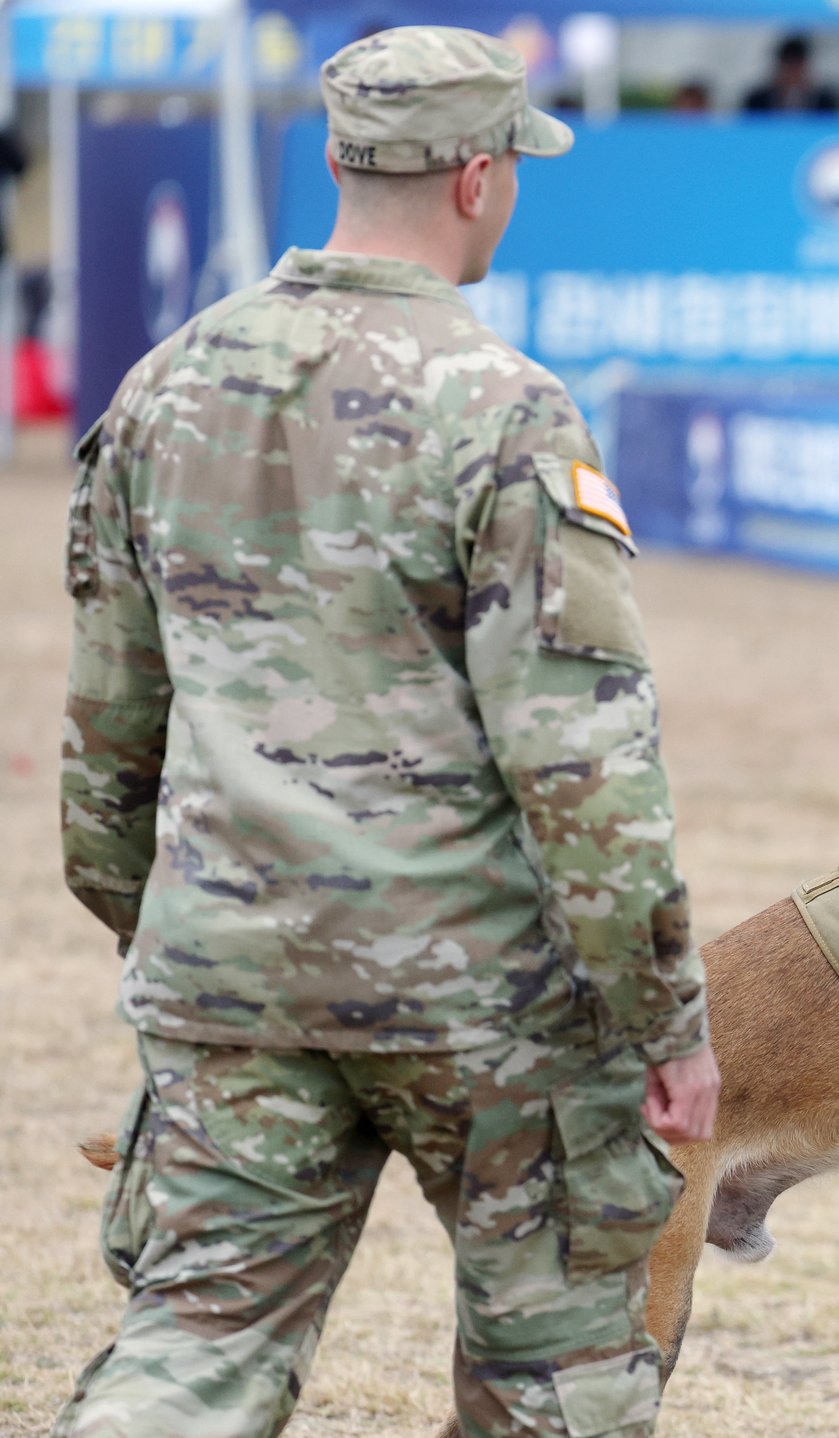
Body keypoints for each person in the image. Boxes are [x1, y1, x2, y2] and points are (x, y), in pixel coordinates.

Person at [51, 26, 718, 1438]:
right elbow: (581, 764)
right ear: (478, 178)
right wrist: (666, 1016)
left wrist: (168, 937)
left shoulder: (165, 384)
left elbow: (108, 734)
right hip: (486, 996)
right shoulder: (504, 409)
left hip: (228, 972)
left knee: (191, 1349)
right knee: (556, 1380)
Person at [741, 34, 839, 114]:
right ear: (779, 68)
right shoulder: (757, 101)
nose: (793, 74)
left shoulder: (826, 101)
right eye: (789, 67)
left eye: (797, 67)